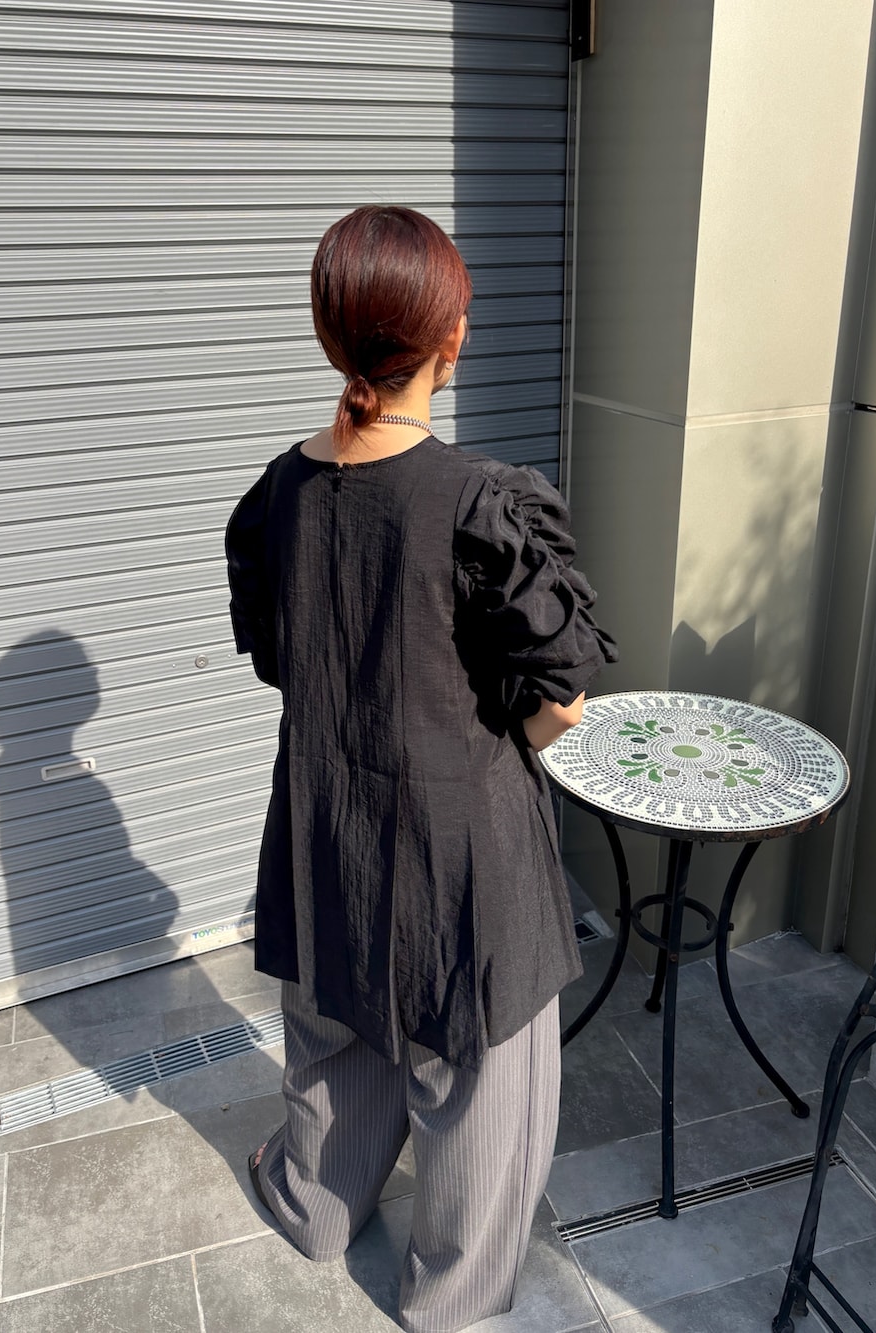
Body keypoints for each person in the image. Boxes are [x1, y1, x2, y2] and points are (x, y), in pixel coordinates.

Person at [225, 204, 617, 1333]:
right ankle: (448, 1297)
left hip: (324, 823)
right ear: (452, 339)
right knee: (482, 1079)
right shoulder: (480, 504)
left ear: (331, 335)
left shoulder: (277, 495)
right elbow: (559, 703)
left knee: (333, 1025)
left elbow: (284, 662)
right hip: (463, 852)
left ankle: (313, 1204)